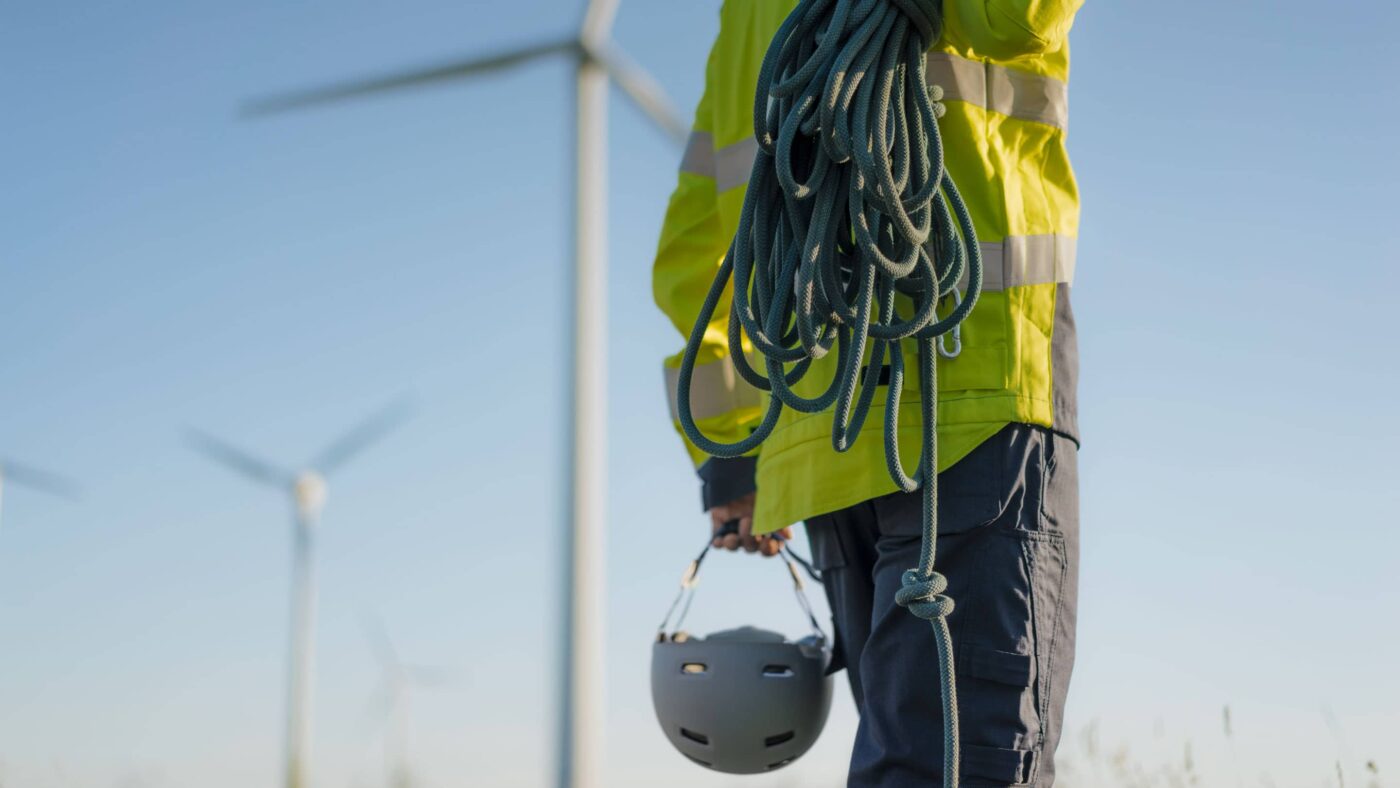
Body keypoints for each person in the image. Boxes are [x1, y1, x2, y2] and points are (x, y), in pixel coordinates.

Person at [653, 1, 1084, 784]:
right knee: (956, 766)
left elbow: (694, 252)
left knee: (906, 758)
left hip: (817, 442)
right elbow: (1014, 20)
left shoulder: (746, 13)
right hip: (967, 402)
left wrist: (733, 451)